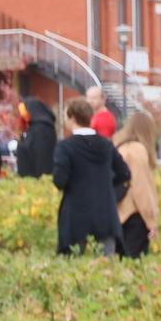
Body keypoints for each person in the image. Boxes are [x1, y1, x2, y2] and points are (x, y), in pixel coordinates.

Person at [51, 96, 129, 256]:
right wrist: (106, 187)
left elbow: (60, 180)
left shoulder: (65, 147)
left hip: (75, 216)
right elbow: (124, 173)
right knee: (107, 271)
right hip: (105, 214)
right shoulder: (106, 145)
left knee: (73, 270)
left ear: (72, 117)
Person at [112, 110, 161, 258]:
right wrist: (151, 221)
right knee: (134, 266)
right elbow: (141, 189)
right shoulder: (137, 151)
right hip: (134, 215)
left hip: (118, 213)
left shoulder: (120, 147)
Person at [12, 96, 57, 180]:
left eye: (25, 113)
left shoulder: (40, 129)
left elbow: (33, 152)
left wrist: (20, 142)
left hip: (38, 176)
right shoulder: (41, 127)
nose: (23, 116)